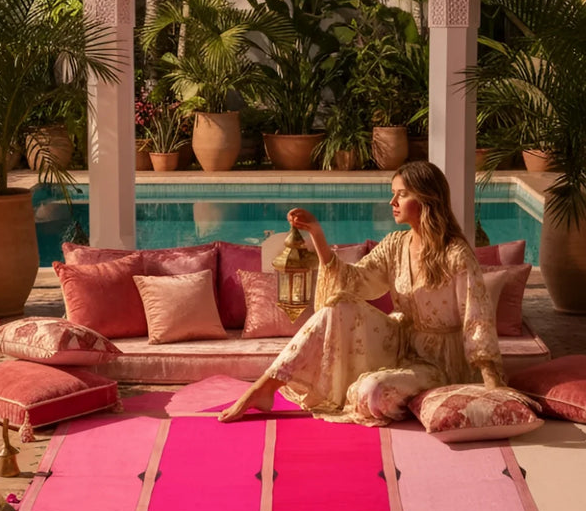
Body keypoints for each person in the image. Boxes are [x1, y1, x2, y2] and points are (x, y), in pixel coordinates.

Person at [218, 160, 530, 424]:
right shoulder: (396, 244)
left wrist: (491, 382)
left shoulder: (456, 254)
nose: (392, 202)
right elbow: (355, 282)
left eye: (401, 195)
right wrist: (318, 235)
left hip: (441, 362)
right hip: (398, 342)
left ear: (426, 200)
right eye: (393, 194)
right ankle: (265, 386)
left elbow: (478, 319)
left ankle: (419, 397)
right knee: (337, 308)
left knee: (372, 392)